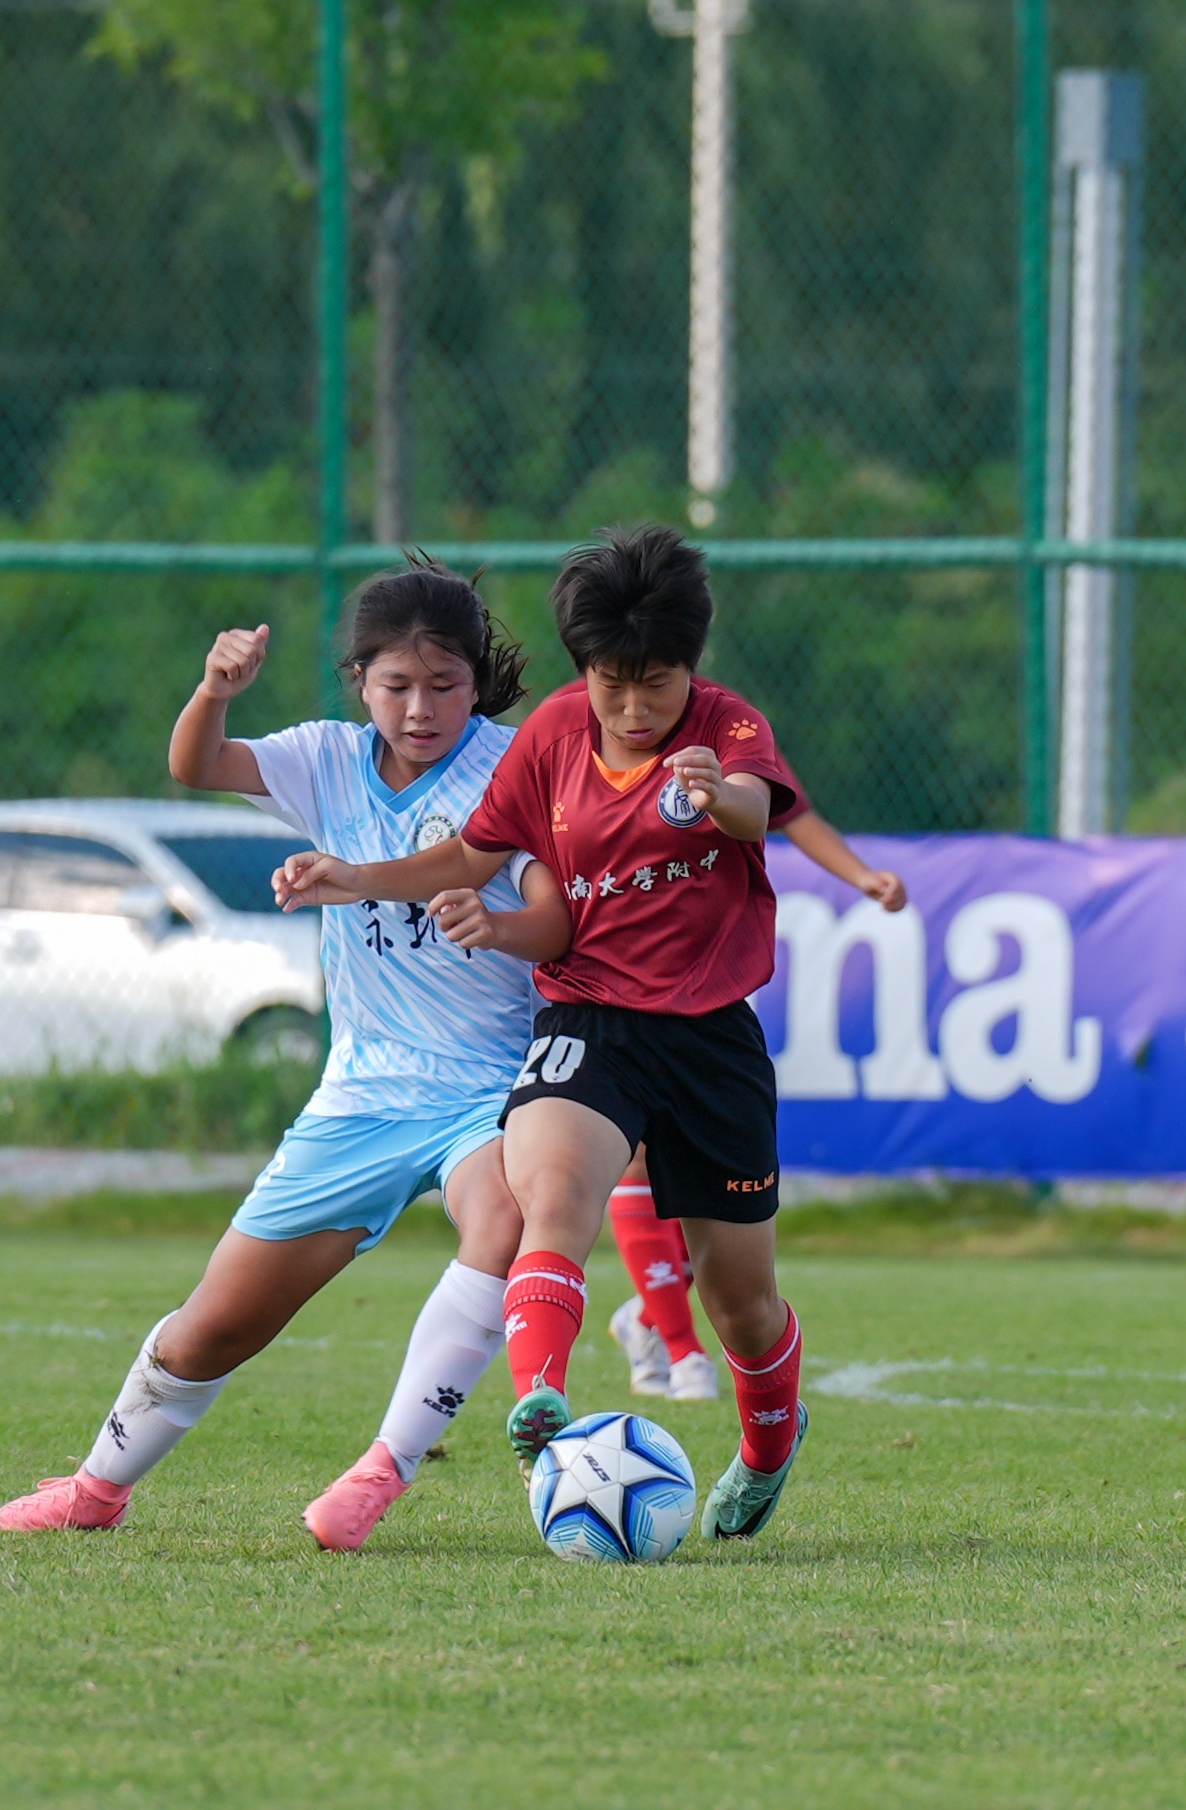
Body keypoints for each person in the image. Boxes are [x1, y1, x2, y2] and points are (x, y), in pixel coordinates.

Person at [0, 561, 570, 1553]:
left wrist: (494, 924)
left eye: (445, 685)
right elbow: (197, 764)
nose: (421, 709)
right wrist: (215, 689)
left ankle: (383, 1469)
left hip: (490, 1087)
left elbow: (554, 922)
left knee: (505, 1217)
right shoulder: (326, 760)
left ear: (477, 682)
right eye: (397, 685)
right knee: (214, 1326)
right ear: (359, 681)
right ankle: (93, 1489)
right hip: (363, 1094)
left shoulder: (514, 767)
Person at [278, 523, 811, 1540]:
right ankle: (542, 1404)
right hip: (587, 1017)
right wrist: (354, 876)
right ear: (584, 669)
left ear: (690, 668)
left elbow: (753, 807)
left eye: (656, 685)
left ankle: (768, 1446)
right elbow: (470, 856)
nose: (633, 708)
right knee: (551, 1195)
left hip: (710, 1039)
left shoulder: (727, 725)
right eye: (612, 684)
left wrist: (718, 794)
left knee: (740, 1305)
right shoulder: (554, 736)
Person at [607, 809, 903, 1401]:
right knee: (635, 1154)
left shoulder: (729, 754)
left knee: (707, 1182)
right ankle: (684, 1352)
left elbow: (789, 806)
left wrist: (861, 875)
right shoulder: (580, 757)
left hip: (706, 981)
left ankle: (645, 1318)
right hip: (611, 965)